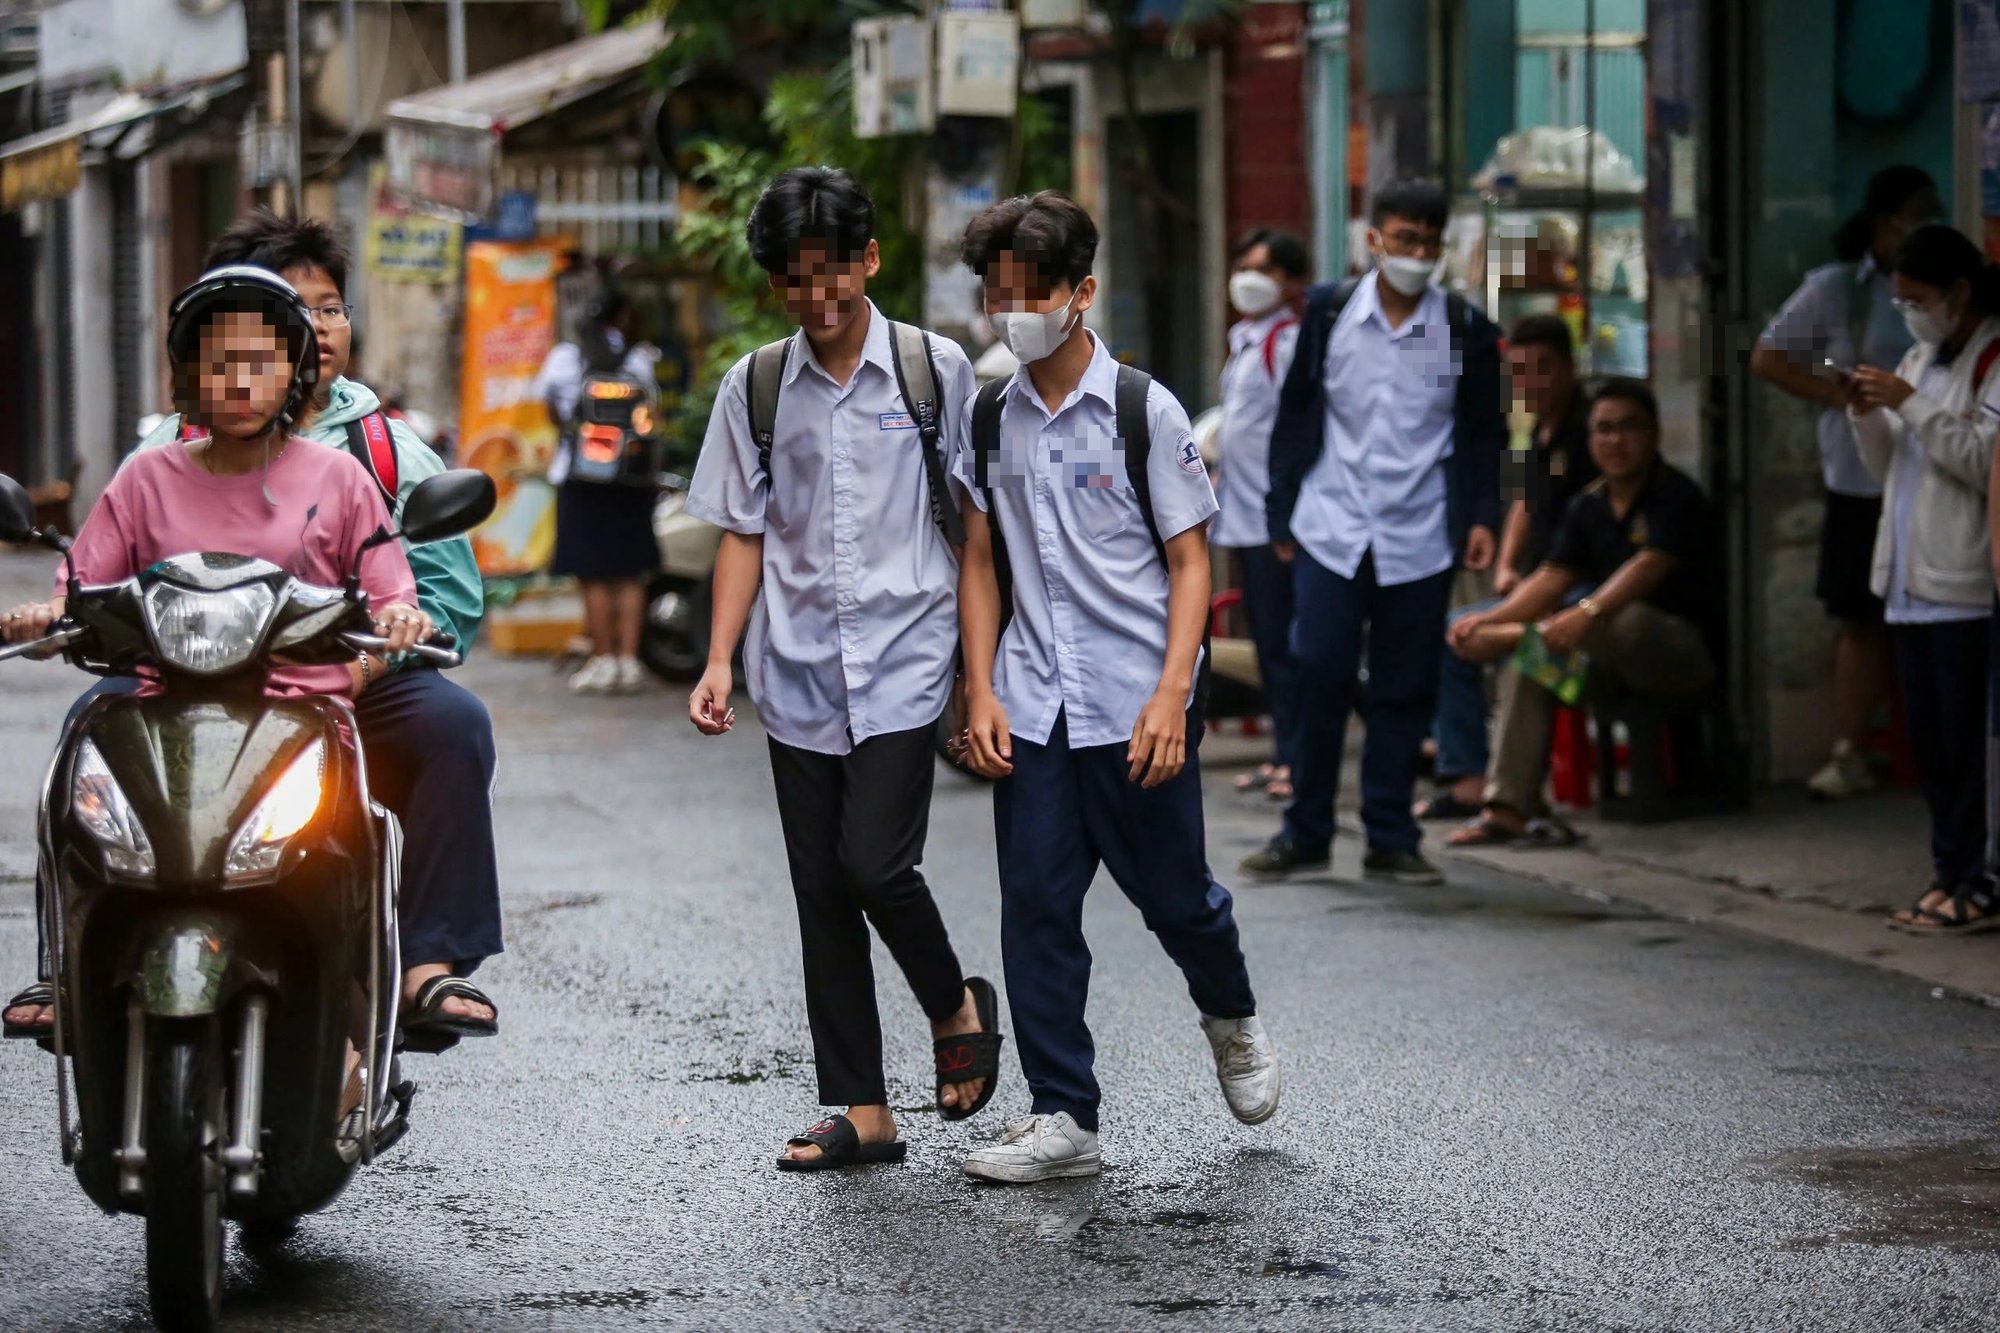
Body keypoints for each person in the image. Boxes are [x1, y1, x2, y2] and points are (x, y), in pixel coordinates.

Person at [4, 218, 501, 1050]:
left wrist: (379, 647)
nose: (244, 376)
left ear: (295, 359)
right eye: (224, 355)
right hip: (178, 675)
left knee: (455, 724)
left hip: (332, 679)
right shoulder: (152, 464)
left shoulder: (363, 458)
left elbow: (409, 590)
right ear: (192, 366)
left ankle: (426, 962)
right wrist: (51, 615)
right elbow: (84, 583)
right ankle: (68, 960)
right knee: (84, 737)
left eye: (319, 313)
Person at [953, 190, 1280, 1184]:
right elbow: (976, 557)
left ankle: (1229, 1016)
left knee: (1177, 900)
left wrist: (1170, 696)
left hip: (1136, 704)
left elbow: (1191, 564)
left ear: (1080, 292)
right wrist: (979, 690)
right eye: (996, 294)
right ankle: (1063, 1115)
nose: (1013, 311)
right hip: (1034, 701)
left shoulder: (1142, 409)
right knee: (1036, 907)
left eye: (1032, 291)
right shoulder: (987, 416)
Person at [683, 166, 1002, 1171]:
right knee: (822, 888)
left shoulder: (933, 369)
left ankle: (952, 1001)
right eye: (795, 281)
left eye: (834, 276)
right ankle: (861, 1107)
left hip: (908, 654)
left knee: (873, 862)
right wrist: (719, 659)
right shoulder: (758, 385)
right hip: (800, 668)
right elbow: (741, 530)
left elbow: (977, 535)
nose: (817, 300)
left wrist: (976, 676)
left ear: (869, 260)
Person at [1239, 178, 1505, 886]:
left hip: (1419, 533)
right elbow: (1294, 416)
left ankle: (1390, 833)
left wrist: (1483, 517)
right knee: (1316, 665)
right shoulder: (1328, 314)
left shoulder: (1463, 329)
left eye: (1428, 241)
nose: (1416, 254)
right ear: (1374, 241)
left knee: (1403, 686)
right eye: (1404, 239)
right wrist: (1281, 510)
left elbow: (1486, 433)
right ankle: (1307, 829)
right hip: (1331, 523)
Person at [1443, 380, 1719, 845]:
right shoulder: (1586, 505)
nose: (1615, 441)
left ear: (1654, 434)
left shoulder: (1677, 495)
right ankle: (1507, 808)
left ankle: (1519, 638)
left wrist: (1580, 613)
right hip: (1603, 658)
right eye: (1603, 430)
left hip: (1679, 656)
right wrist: (1486, 622)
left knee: (1621, 619)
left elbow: (1646, 569)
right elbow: (1550, 578)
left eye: (1628, 428)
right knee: (1530, 663)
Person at [1751, 165, 1941, 801]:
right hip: (1862, 478)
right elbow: (1769, 356)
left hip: (1938, 468)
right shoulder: (1839, 290)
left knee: (1933, 612)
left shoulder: (1944, 292)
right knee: (1859, 617)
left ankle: (1936, 748)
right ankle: (1850, 748)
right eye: (1917, 212)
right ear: (1887, 221)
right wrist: (1839, 398)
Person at [1846, 224, 2000, 934]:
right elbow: (1892, 471)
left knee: (1967, 749)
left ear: (1959, 292)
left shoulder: (1991, 361)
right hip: (1907, 580)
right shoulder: (1918, 356)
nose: (1910, 312)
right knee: (1932, 752)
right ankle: (1946, 873)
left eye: (1920, 298)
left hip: (1962, 584)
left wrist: (1907, 399)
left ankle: (1974, 879)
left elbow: (1980, 462)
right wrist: (1867, 416)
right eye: (1901, 299)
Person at [1419, 315, 1597, 822]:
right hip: (1541, 582)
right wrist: (1505, 564)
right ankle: (1468, 777)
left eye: (1542, 369)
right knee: (1451, 635)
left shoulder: (1589, 431)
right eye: (1518, 372)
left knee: (1488, 638)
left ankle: (1505, 796)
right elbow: (1524, 500)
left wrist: (1501, 617)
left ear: (1569, 367)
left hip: (1580, 593)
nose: (1530, 383)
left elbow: (1566, 569)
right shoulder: (1539, 432)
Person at [1212, 228, 1309, 803]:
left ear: (1293, 282)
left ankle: (1297, 760)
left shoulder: (1288, 343)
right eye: (1245, 266)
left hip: (1278, 523)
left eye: (1264, 270)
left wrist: (1286, 515)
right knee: (1268, 644)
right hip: (1244, 518)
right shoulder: (1249, 339)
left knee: (1287, 645)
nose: (1249, 279)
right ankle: (1283, 757)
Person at [536, 290, 661, 695]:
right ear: (622, 318)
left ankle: (601, 659)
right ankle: (628, 660)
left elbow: (550, 408)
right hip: (630, 480)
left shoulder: (565, 358)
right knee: (630, 572)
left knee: (591, 572)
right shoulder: (638, 359)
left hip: (582, 478)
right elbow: (651, 414)